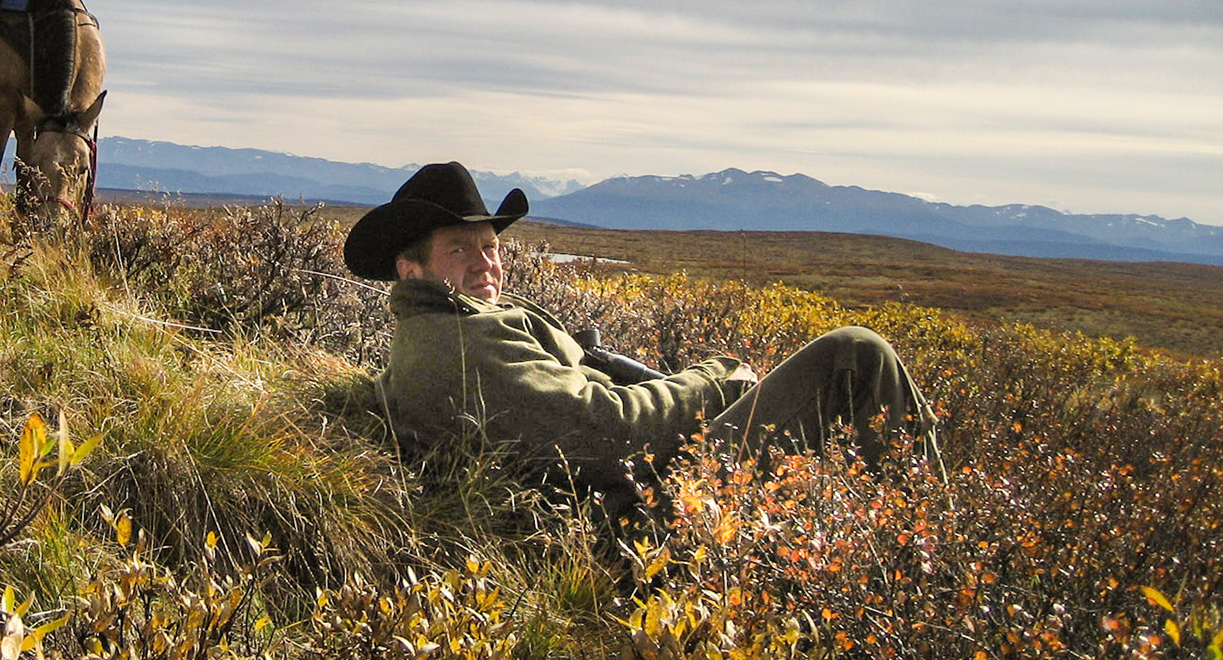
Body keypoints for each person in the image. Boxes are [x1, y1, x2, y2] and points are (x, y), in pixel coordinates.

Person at [344, 161, 934, 517]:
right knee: (855, 357)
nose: (486, 264)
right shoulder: (461, 345)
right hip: (635, 516)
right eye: (459, 249)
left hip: (621, 491)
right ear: (409, 269)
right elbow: (608, 431)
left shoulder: (437, 332)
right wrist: (710, 380)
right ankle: (929, 542)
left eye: (491, 246)